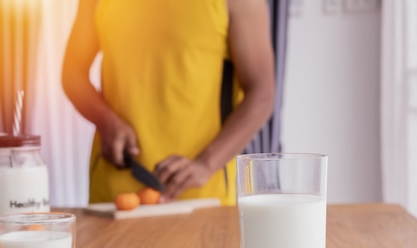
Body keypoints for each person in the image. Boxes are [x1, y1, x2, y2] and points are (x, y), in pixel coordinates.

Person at [62, 0, 275, 206]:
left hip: (201, 198)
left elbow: (262, 93)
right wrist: (106, 121)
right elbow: (72, 74)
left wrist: (205, 164)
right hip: (113, 195)